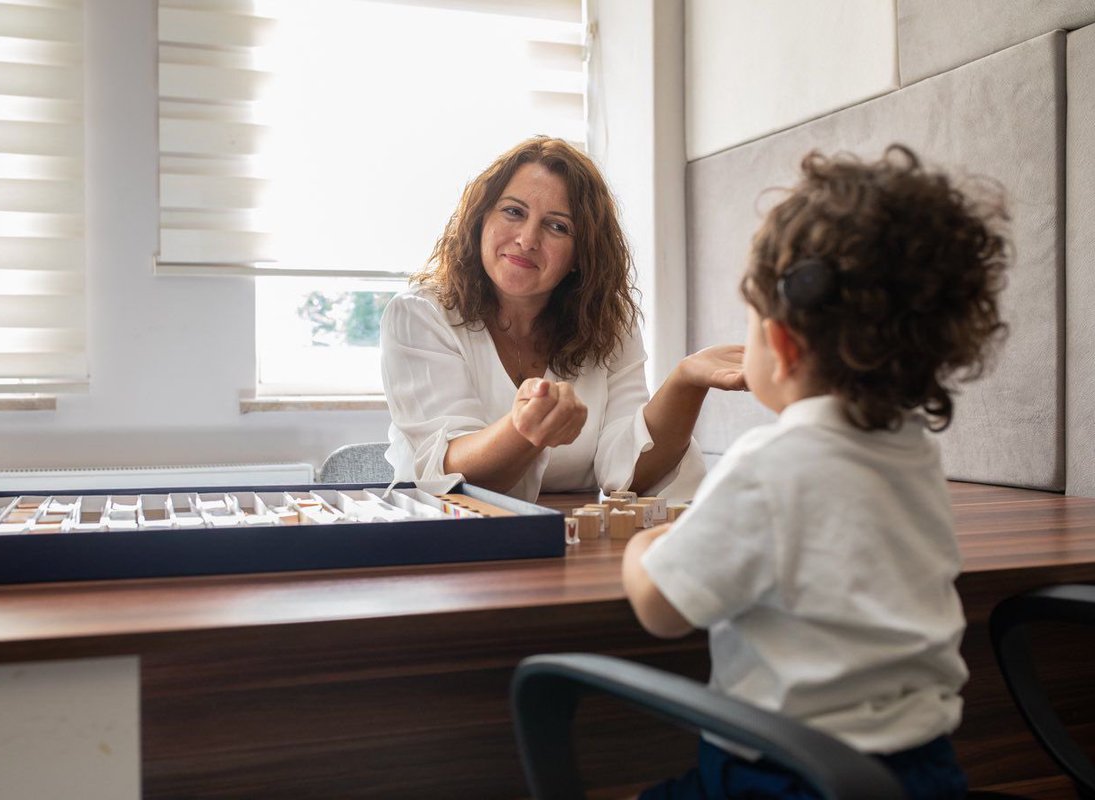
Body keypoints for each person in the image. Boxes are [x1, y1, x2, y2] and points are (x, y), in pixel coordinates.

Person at [622, 144, 1010, 800]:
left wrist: (642, 546)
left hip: (782, 778)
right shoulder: (913, 451)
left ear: (781, 343)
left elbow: (661, 608)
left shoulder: (767, 463)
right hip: (923, 774)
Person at [380, 136, 744, 501]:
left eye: (557, 226)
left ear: (581, 255)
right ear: (479, 219)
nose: (526, 239)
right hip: (445, 542)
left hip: (572, 546)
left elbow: (628, 472)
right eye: (513, 211)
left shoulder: (608, 325)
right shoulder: (420, 314)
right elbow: (449, 466)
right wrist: (523, 431)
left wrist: (685, 382)